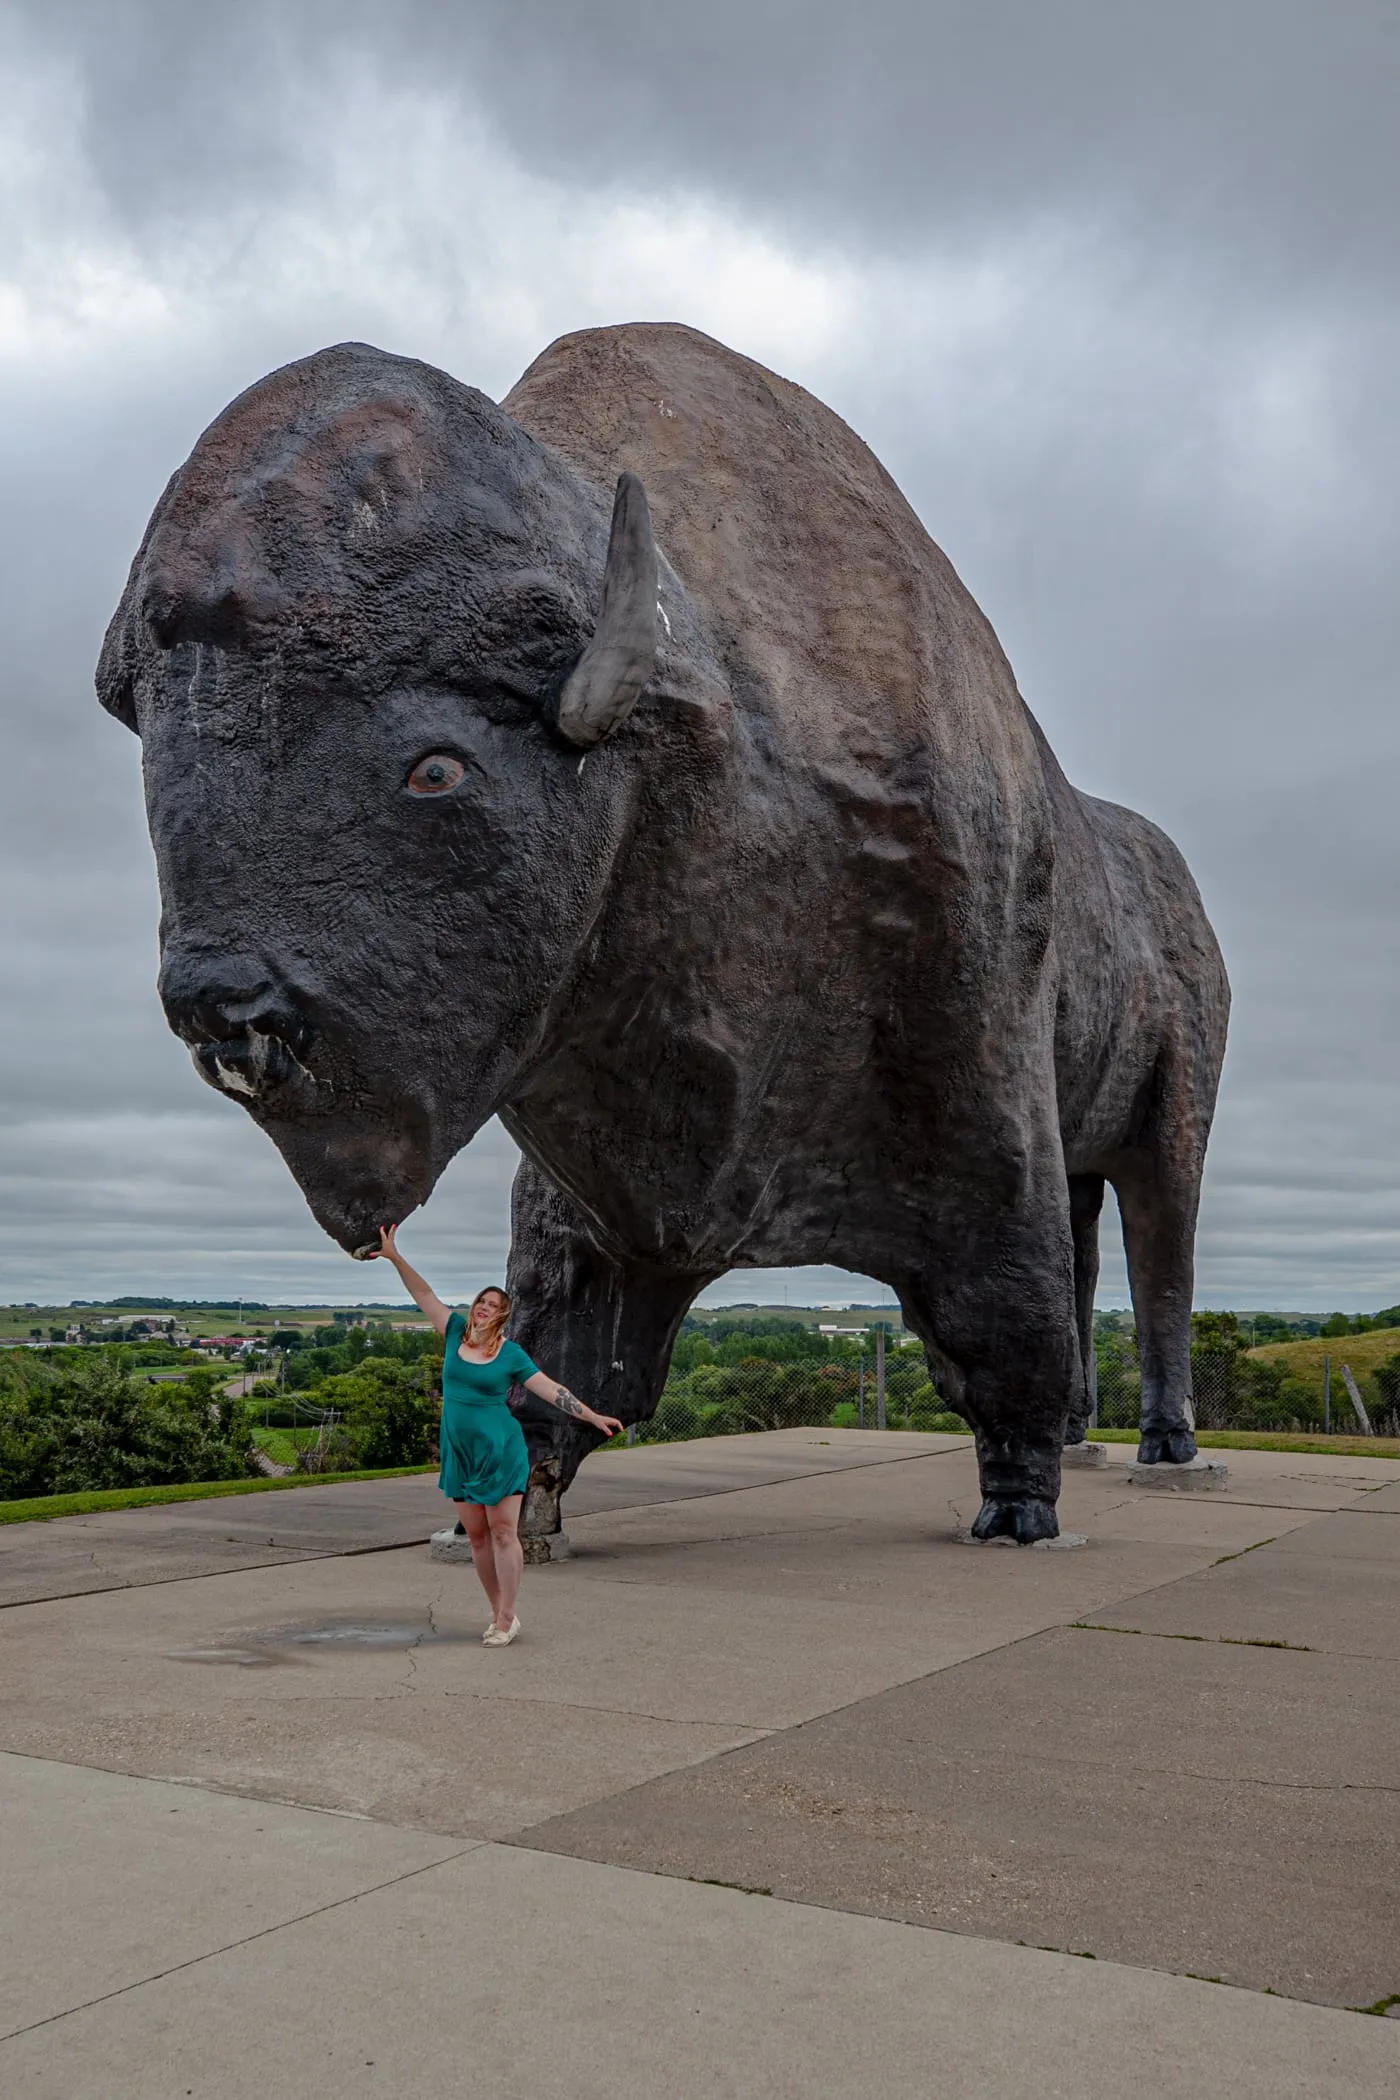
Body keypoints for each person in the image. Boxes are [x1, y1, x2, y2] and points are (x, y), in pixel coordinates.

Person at [366, 1223, 622, 1646]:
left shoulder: (510, 1354)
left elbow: (550, 1389)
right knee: (478, 1538)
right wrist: (395, 1258)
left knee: (503, 1532)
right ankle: (496, 1610)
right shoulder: (452, 1334)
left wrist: (592, 1416)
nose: (484, 1307)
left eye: (493, 1304)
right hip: (460, 1453)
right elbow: (424, 1294)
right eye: (481, 1301)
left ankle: (507, 1617)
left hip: (500, 1451)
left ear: (503, 1315)